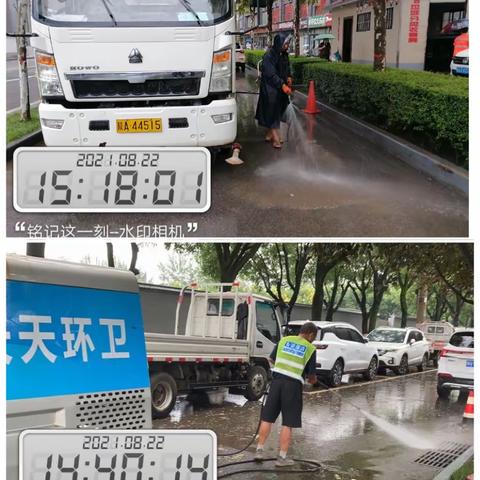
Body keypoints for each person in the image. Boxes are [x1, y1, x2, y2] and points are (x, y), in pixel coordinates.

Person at [254, 321, 319, 467]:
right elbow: (312, 377)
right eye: (314, 337)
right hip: (293, 386)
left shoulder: (284, 340)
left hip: (276, 383)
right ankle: (282, 458)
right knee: (288, 423)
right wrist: (314, 381)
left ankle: (259, 450)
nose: (313, 340)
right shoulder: (310, 348)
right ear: (310, 334)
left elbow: (271, 359)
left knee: (267, 418)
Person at [255, 33, 293, 149]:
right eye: (285, 43)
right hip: (270, 88)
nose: (287, 46)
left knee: (279, 110)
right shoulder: (269, 56)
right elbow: (270, 74)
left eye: (288, 43)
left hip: (280, 87)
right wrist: (282, 85)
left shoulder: (284, 54)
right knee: (272, 111)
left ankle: (269, 134)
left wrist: (289, 76)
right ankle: (276, 137)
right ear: (279, 43)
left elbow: (286, 68)